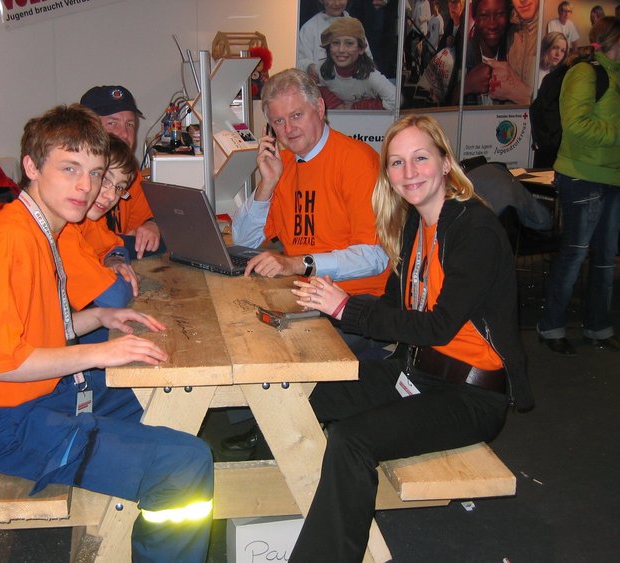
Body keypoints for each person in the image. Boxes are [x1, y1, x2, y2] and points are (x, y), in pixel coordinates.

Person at [0, 104, 214, 562]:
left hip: (41, 396)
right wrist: (98, 354)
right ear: (31, 167)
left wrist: (98, 319)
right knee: (184, 465)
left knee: (162, 388)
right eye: (69, 169)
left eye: (95, 172)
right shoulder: (9, 241)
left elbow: (35, 332)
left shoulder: (38, 228)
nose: (85, 186)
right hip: (13, 426)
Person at [287, 114, 532, 562]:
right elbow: (393, 310)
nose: (409, 172)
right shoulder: (416, 226)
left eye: (420, 158)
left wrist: (345, 308)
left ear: (445, 162)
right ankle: (301, 508)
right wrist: (318, 308)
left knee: (352, 439)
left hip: (471, 396)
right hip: (416, 372)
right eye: (397, 163)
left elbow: (438, 327)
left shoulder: (475, 231)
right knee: (302, 400)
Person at [223, 68, 390, 459]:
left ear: (320, 109)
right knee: (240, 327)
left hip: (356, 303)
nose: (288, 128)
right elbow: (243, 241)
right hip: (304, 294)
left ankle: (279, 437)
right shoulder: (283, 165)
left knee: (274, 344)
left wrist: (299, 264)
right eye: (278, 121)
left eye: (296, 115)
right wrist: (266, 184)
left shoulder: (357, 160)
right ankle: (270, 424)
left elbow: (376, 255)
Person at [537, 16, 620, 355]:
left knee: (605, 258)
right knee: (574, 254)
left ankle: (599, 327)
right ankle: (552, 326)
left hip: (611, 176)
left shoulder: (613, 76)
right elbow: (576, 125)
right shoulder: (586, 73)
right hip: (582, 177)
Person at [61, 134, 141, 345]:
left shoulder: (88, 219)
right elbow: (114, 298)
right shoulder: (64, 231)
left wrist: (114, 259)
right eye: (105, 180)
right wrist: (123, 277)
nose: (111, 196)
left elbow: (115, 246)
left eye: (119, 188)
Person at [80, 85, 162, 259]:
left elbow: (148, 219)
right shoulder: (76, 184)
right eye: (112, 123)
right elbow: (95, 247)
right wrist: (121, 245)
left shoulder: (130, 175)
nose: (124, 134)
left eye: (130, 124)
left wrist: (152, 225)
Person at [317, 17, 397, 110]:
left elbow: (395, 101)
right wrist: (335, 103)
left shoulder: (371, 77)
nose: (341, 50)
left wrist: (356, 106)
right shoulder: (321, 70)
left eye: (349, 43)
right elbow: (311, 88)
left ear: (361, 49)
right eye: (335, 43)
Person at [297, 0, 373, 82]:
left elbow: (367, 60)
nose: (337, 3)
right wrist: (308, 67)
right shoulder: (309, 28)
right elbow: (299, 60)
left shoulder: (355, 26)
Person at [463, 0, 512, 105]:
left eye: (499, 14)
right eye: (484, 15)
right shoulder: (458, 56)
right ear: (475, 17)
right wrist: (465, 86)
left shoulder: (515, 56)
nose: (492, 25)